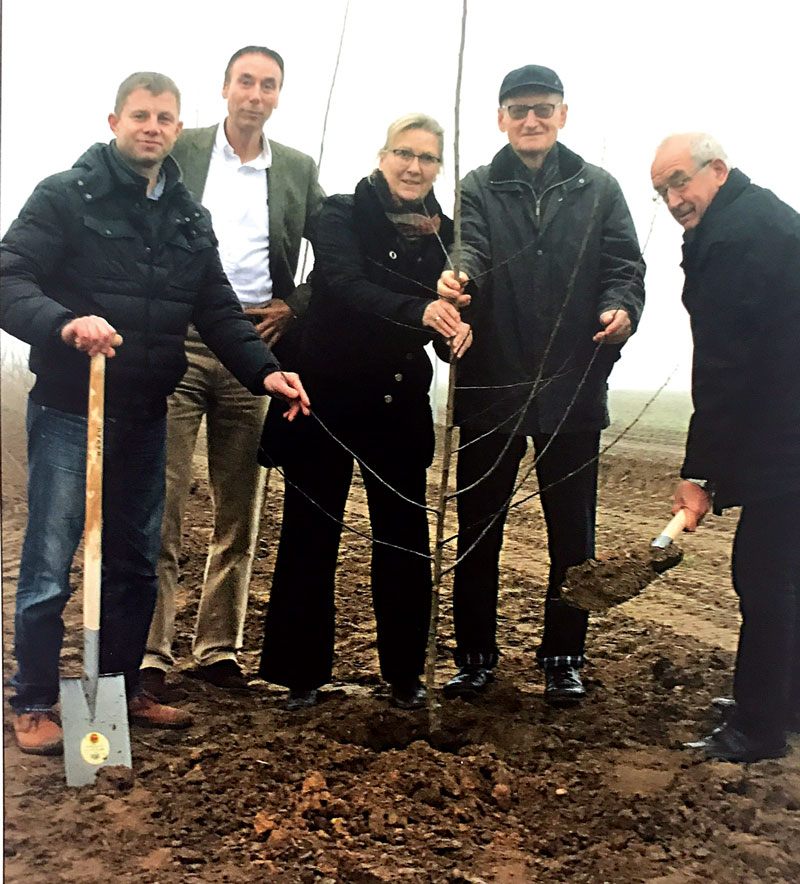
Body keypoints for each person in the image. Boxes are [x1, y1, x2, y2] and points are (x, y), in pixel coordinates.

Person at [0, 72, 309, 756]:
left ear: (177, 128)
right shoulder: (65, 196)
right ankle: (34, 701)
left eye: (165, 117)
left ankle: (118, 691)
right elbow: (8, 277)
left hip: (144, 412)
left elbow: (220, 311)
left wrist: (267, 371)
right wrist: (63, 323)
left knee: (136, 563)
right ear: (114, 120)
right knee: (51, 564)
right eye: (140, 115)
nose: (152, 127)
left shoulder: (187, 218)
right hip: (69, 408)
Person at [437, 64, 645, 705]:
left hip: (572, 386)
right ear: (501, 117)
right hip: (491, 385)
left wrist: (621, 309)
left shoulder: (600, 188)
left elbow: (624, 266)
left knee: (572, 536)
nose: (532, 119)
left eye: (544, 108)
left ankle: (564, 657)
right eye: (519, 109)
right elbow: (465, 248)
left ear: (563, 114)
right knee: (478, 529)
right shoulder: (477, 185)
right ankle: (474, 658)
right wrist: (460, 280)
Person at [257, 114, 472, 710]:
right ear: (382, 156)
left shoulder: (446, 238)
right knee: (310, 532)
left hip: (397, 403)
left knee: (404, 539)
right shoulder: (341, 214)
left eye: (428, 159)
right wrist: (423, 311)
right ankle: (300, 677)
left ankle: (406, 676)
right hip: (324, 395)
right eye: (404, 153)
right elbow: (347, 286)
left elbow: (437, 325)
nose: (414, 166)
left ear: (438, 168)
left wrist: (455, 331)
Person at [140, 46, 324, 696]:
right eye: (245, 80)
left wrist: (292, 308)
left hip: (254, 350)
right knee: (159, 501)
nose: (255, 93)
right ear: (225, 89)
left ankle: (218, 649)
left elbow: (329, 258)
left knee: (238, 509)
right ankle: (151, 654)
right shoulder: (181, 150)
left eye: (268, 84)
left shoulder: (298, 170)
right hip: (178, 342)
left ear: (277, 96)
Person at [650, 132, 800, 762]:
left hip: (786, 429)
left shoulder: (737, 238)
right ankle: (784, 702)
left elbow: (724, 365)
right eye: (662, 191)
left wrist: (701, 473)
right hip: (785, 418)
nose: (674, 198)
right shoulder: (754, 216)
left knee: (764, 577)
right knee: (784, 574)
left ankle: (758, 726)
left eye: (681, 180)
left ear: (718, 169)